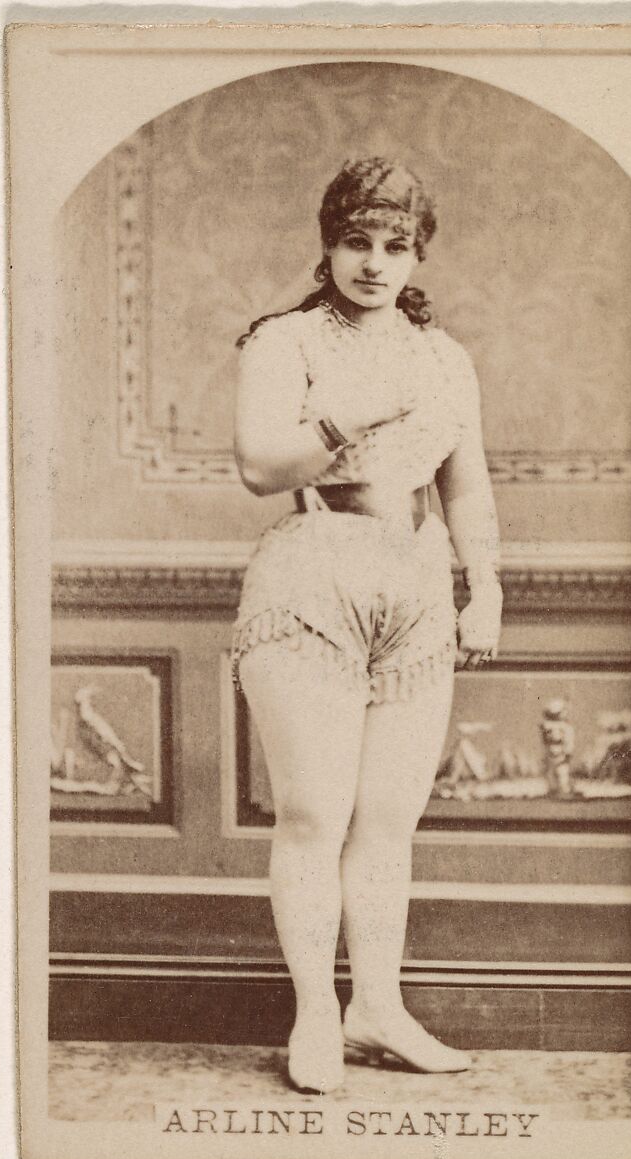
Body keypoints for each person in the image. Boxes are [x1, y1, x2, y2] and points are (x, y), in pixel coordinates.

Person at [232, 158, 502, 1094]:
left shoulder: (445, 358)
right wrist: (352, 415)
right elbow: (260, 467)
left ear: (418, 254)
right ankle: (316, 1013)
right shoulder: (285, 340)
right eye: (357, 242)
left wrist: (485, 585)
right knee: (314, 813)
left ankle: (376, 1008)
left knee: (388, 821)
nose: (374, 263)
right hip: (314, 575)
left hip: (418, 588)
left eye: (396, 246)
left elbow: (466, 483)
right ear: (329, 244)